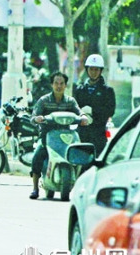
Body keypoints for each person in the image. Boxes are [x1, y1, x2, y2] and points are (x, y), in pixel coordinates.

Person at [29, 72, 88, 200]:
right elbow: (32, 117)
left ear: (65, 85)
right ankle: (35, 188)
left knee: (81, 155)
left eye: (61, 83)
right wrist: (37, 118)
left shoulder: (70, 101)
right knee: (38, 154)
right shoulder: (43, 101)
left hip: (66, 137)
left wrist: (83, 117)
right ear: (52, 84)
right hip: (47, 135)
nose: (59, 86)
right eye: (56, 83)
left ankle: (81, 188)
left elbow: (79, 112)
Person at [75, 54, 116, 157]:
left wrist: (93, 111)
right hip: (81, 135)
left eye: (96, 70)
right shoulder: (79, 90)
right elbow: (74, 109)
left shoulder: (108, 91)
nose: (93, 72)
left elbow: (110, 111)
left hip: (99, 136)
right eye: (91, 69)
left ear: (100, 71)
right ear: (87, 70)